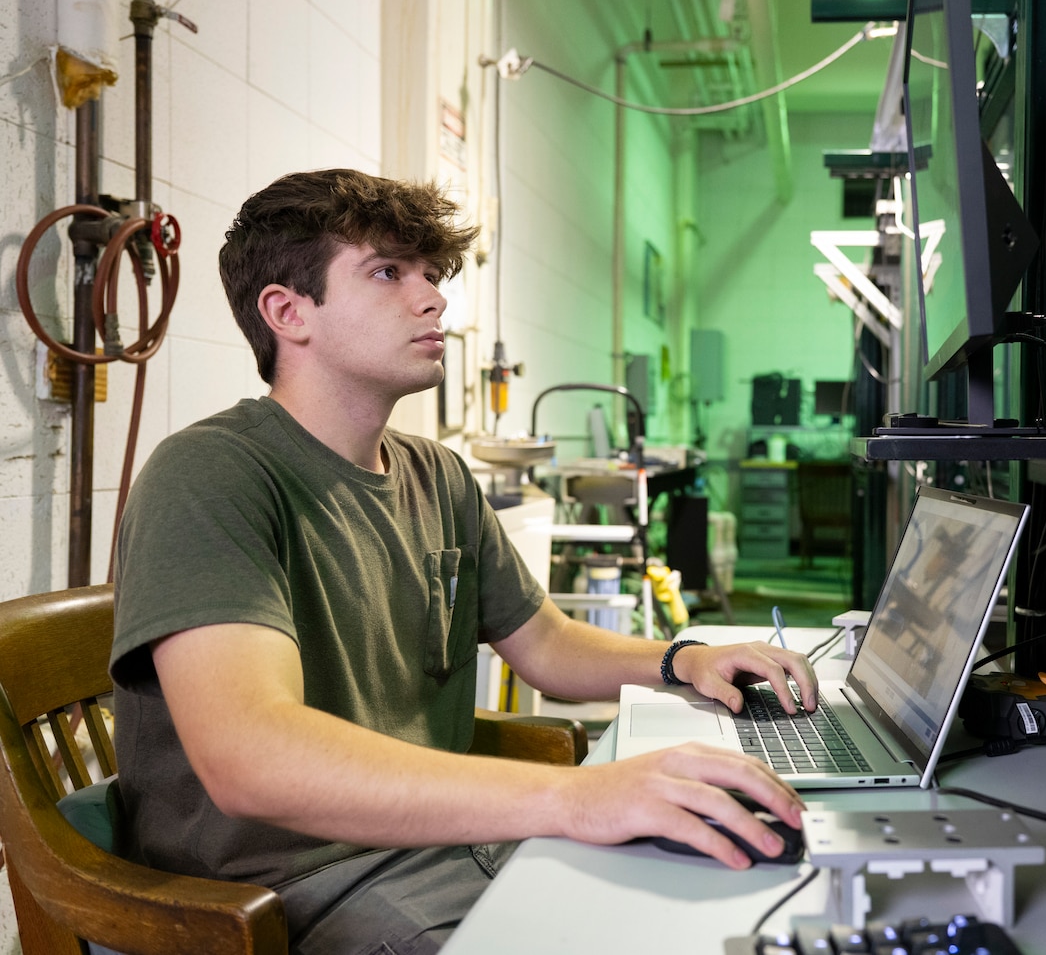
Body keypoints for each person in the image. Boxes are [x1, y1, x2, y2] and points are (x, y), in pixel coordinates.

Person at [108, 168, 819, 954]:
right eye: (388, 272)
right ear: (288, 312)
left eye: (433, 275)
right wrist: (575, 796)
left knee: (728, 908)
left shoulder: (435, 473)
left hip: (444, 843)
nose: (433, 298)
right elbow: (255, 761)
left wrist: (684, 658)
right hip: (289, 895)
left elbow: (545, 645)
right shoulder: (212, 474)